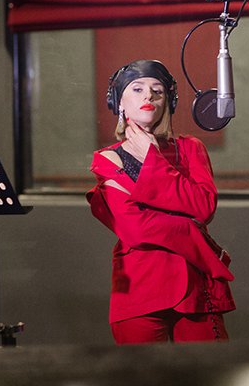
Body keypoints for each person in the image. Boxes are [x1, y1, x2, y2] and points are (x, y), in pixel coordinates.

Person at [86, 59, 235, 344]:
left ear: (168, 101)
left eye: (158, 90)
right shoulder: (108, 159)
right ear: (119, 102)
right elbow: (135, 229)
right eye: (137, 89)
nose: (149, 96)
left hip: (196, 287)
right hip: (140, 289)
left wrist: (152, 158)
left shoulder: (191, 148)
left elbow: (203, 208)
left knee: (210, 367)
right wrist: (189, 226)